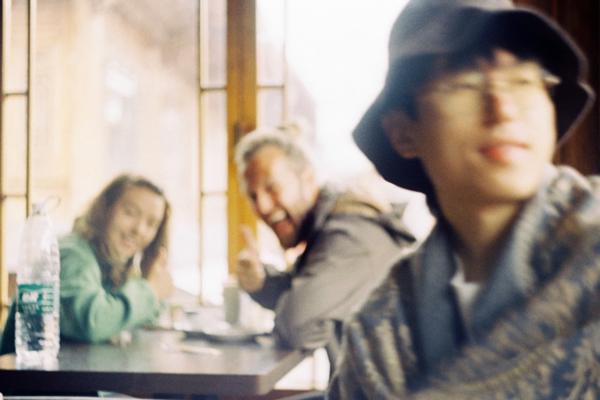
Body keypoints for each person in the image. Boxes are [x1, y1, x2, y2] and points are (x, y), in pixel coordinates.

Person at [328, 0, 598, 398]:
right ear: (404, 132)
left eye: (525, 81)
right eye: (465, 85)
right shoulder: (379, 330)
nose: (503, 109)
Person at [234, 126, 424, 373]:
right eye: (253, 195)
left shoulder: (350, 235)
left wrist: (292, 304)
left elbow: (296, 325)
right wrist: (260, 282)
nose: (263, 205)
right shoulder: (327, 228)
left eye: (272, 187)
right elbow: (302, 291)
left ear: (308, 178)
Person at [1, 174, 174, 353]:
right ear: (105, 210)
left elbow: (144, 322)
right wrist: (150, 292)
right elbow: (93, 322)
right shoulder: (73, 254)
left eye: (151, 223)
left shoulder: (116, 265)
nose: (139, 229)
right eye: (130, 213)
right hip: (22, 377)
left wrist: (149, 280)